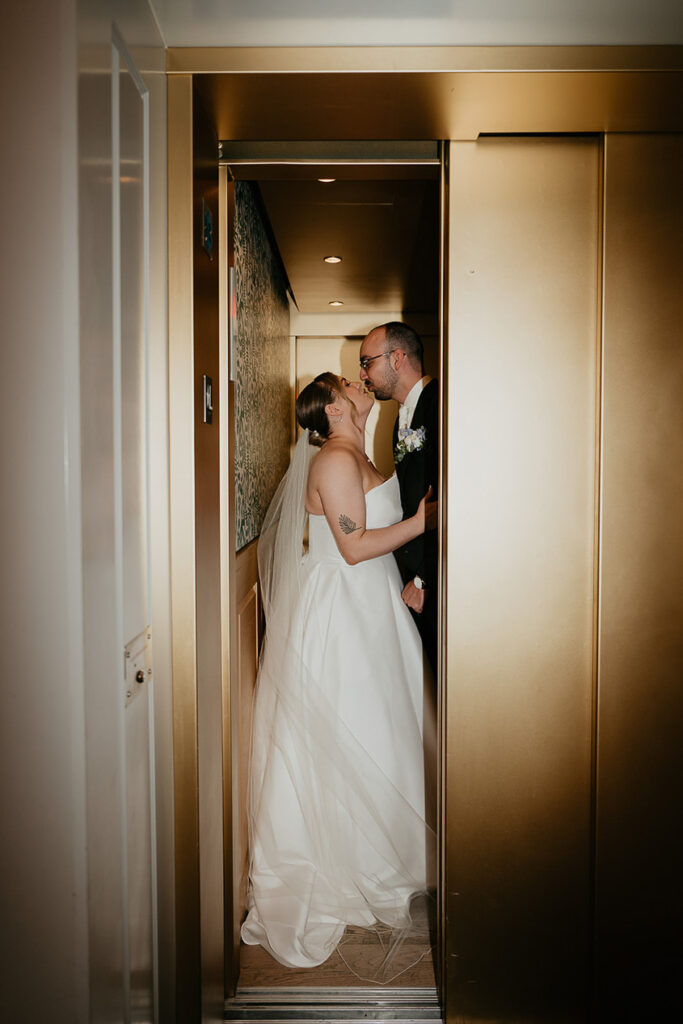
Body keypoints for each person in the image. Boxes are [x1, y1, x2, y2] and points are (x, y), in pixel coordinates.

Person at [240, 372, 436, 977]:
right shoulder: (333, 460)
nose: (359, 381)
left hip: (372, 605)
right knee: (356, 729)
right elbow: (352, 549)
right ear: (333, 405)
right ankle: (355, 862)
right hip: (346, 613)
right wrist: (425, 521)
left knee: (385, 727)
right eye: (348, 382)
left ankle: (390, 853)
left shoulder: (355, 451)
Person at [360, 322, 439, 678]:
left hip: (436, 578)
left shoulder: (440, 405)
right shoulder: (399, 418)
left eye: (367, 362)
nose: (363, 374)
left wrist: (424, 578)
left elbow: (448, 500)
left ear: (397, 358)